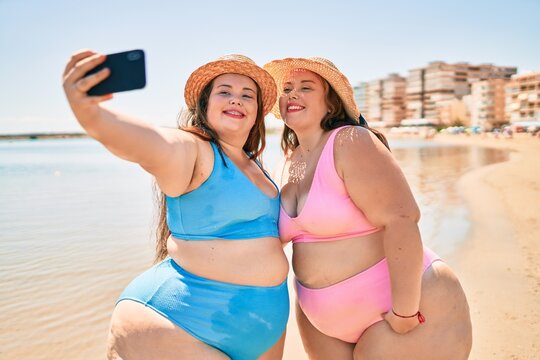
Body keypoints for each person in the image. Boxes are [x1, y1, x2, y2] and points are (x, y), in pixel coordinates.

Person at [63, 51, 290, 360]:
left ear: (257, 112)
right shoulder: (193, 148)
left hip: (262, 329)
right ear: (205, 105)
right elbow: (151, 143)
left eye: (247, 95)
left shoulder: (255, 166)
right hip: (182, 324)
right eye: (225, 92)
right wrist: (93, 116)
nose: (236, 100)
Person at [264, 57, 472, 359]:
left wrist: (404, 312)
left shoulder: (350, 140)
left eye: (306, 87)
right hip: (321, 320)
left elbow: (402, 218)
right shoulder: (289, 159)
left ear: (332, 103)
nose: (292, 94)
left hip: (398, 309)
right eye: (287, 88)